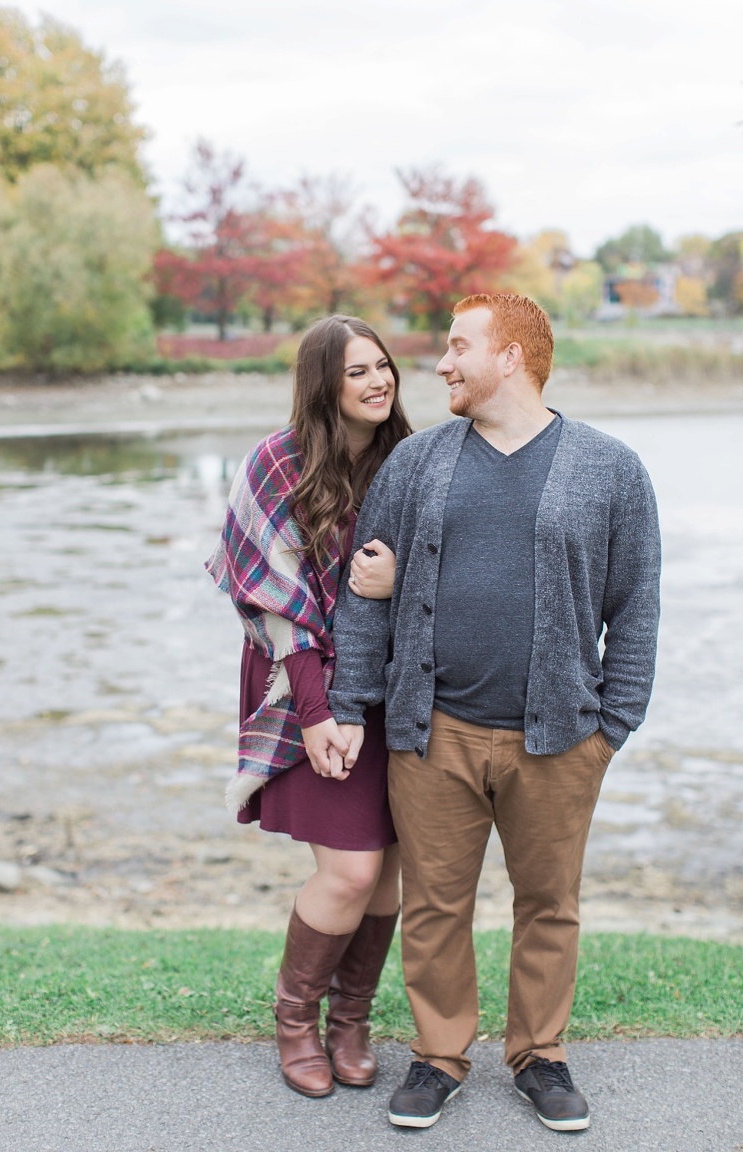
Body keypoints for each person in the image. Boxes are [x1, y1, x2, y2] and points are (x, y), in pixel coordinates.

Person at [329, 293, 661, 1132]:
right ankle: (439, 1056)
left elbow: (636, 606)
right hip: (431, 732)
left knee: (549, 903)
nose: (441, 363)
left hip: (560, 738)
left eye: (458, 347)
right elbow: (366, 589)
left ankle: (539, 1055)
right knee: (435, 904)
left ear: (510, 356)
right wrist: (352, 704)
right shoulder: (417, 463)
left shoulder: (611, 469)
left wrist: (612, 727)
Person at [205, 315, 412, 1099]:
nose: (377, 381)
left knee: (388, 868)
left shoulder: (408, 458)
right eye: (357, 371)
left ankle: (350, 1022)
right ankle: (296, 1021)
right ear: (324, 385)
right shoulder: (276, 463)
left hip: (393, 682)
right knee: (350, 870)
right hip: (303, 679)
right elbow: (270, 597)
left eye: (382, 366)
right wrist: (319, 711)